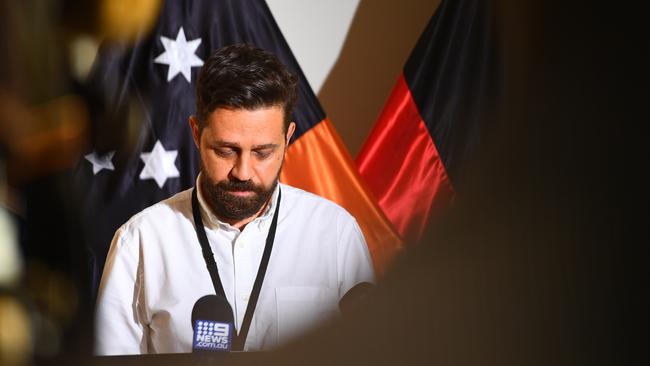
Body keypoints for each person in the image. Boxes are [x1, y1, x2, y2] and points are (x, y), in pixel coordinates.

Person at [94, 44, 375, 354]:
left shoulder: (336, 234)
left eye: (262, 153)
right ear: (196, 133)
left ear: (288, 138)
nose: (243, 172)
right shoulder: (140, 241)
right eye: (225, 151)